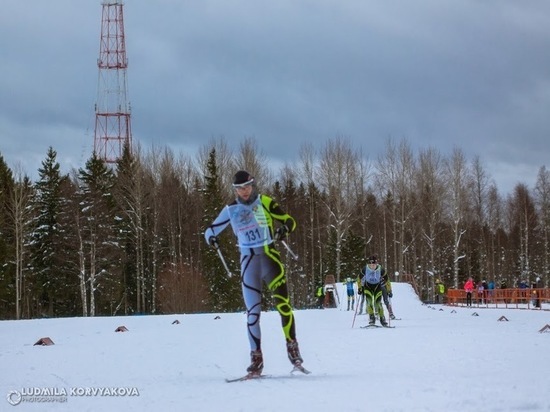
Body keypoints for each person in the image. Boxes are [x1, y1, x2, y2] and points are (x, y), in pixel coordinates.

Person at [204, 170, 304, 376]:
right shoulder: (230, 210)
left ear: (253, 185)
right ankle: (256, 357)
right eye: (240, 188)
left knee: (284, 306)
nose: (245, 191)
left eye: (248, 186)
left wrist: (284, 229)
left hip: (270, 259)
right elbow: (209, 230)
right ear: (235, 190)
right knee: (252, 314)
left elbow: (289, 221)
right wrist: (211, 239)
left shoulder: (265, 202)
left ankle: (292, 348)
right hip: (248, 263)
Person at [358, 255, 388, 326]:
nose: (372, 266)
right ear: (369, 264)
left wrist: (385, 283)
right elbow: (359, 278)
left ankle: (382, 318)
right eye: (371, 264)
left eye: (374, 264)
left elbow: (386, 278)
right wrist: (360, 288)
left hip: (377, 287)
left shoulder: (381, 269)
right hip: (367, 286)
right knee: (369, 302)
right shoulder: (365, 269)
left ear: (376, 263)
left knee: (378, 303)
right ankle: (372, 318)